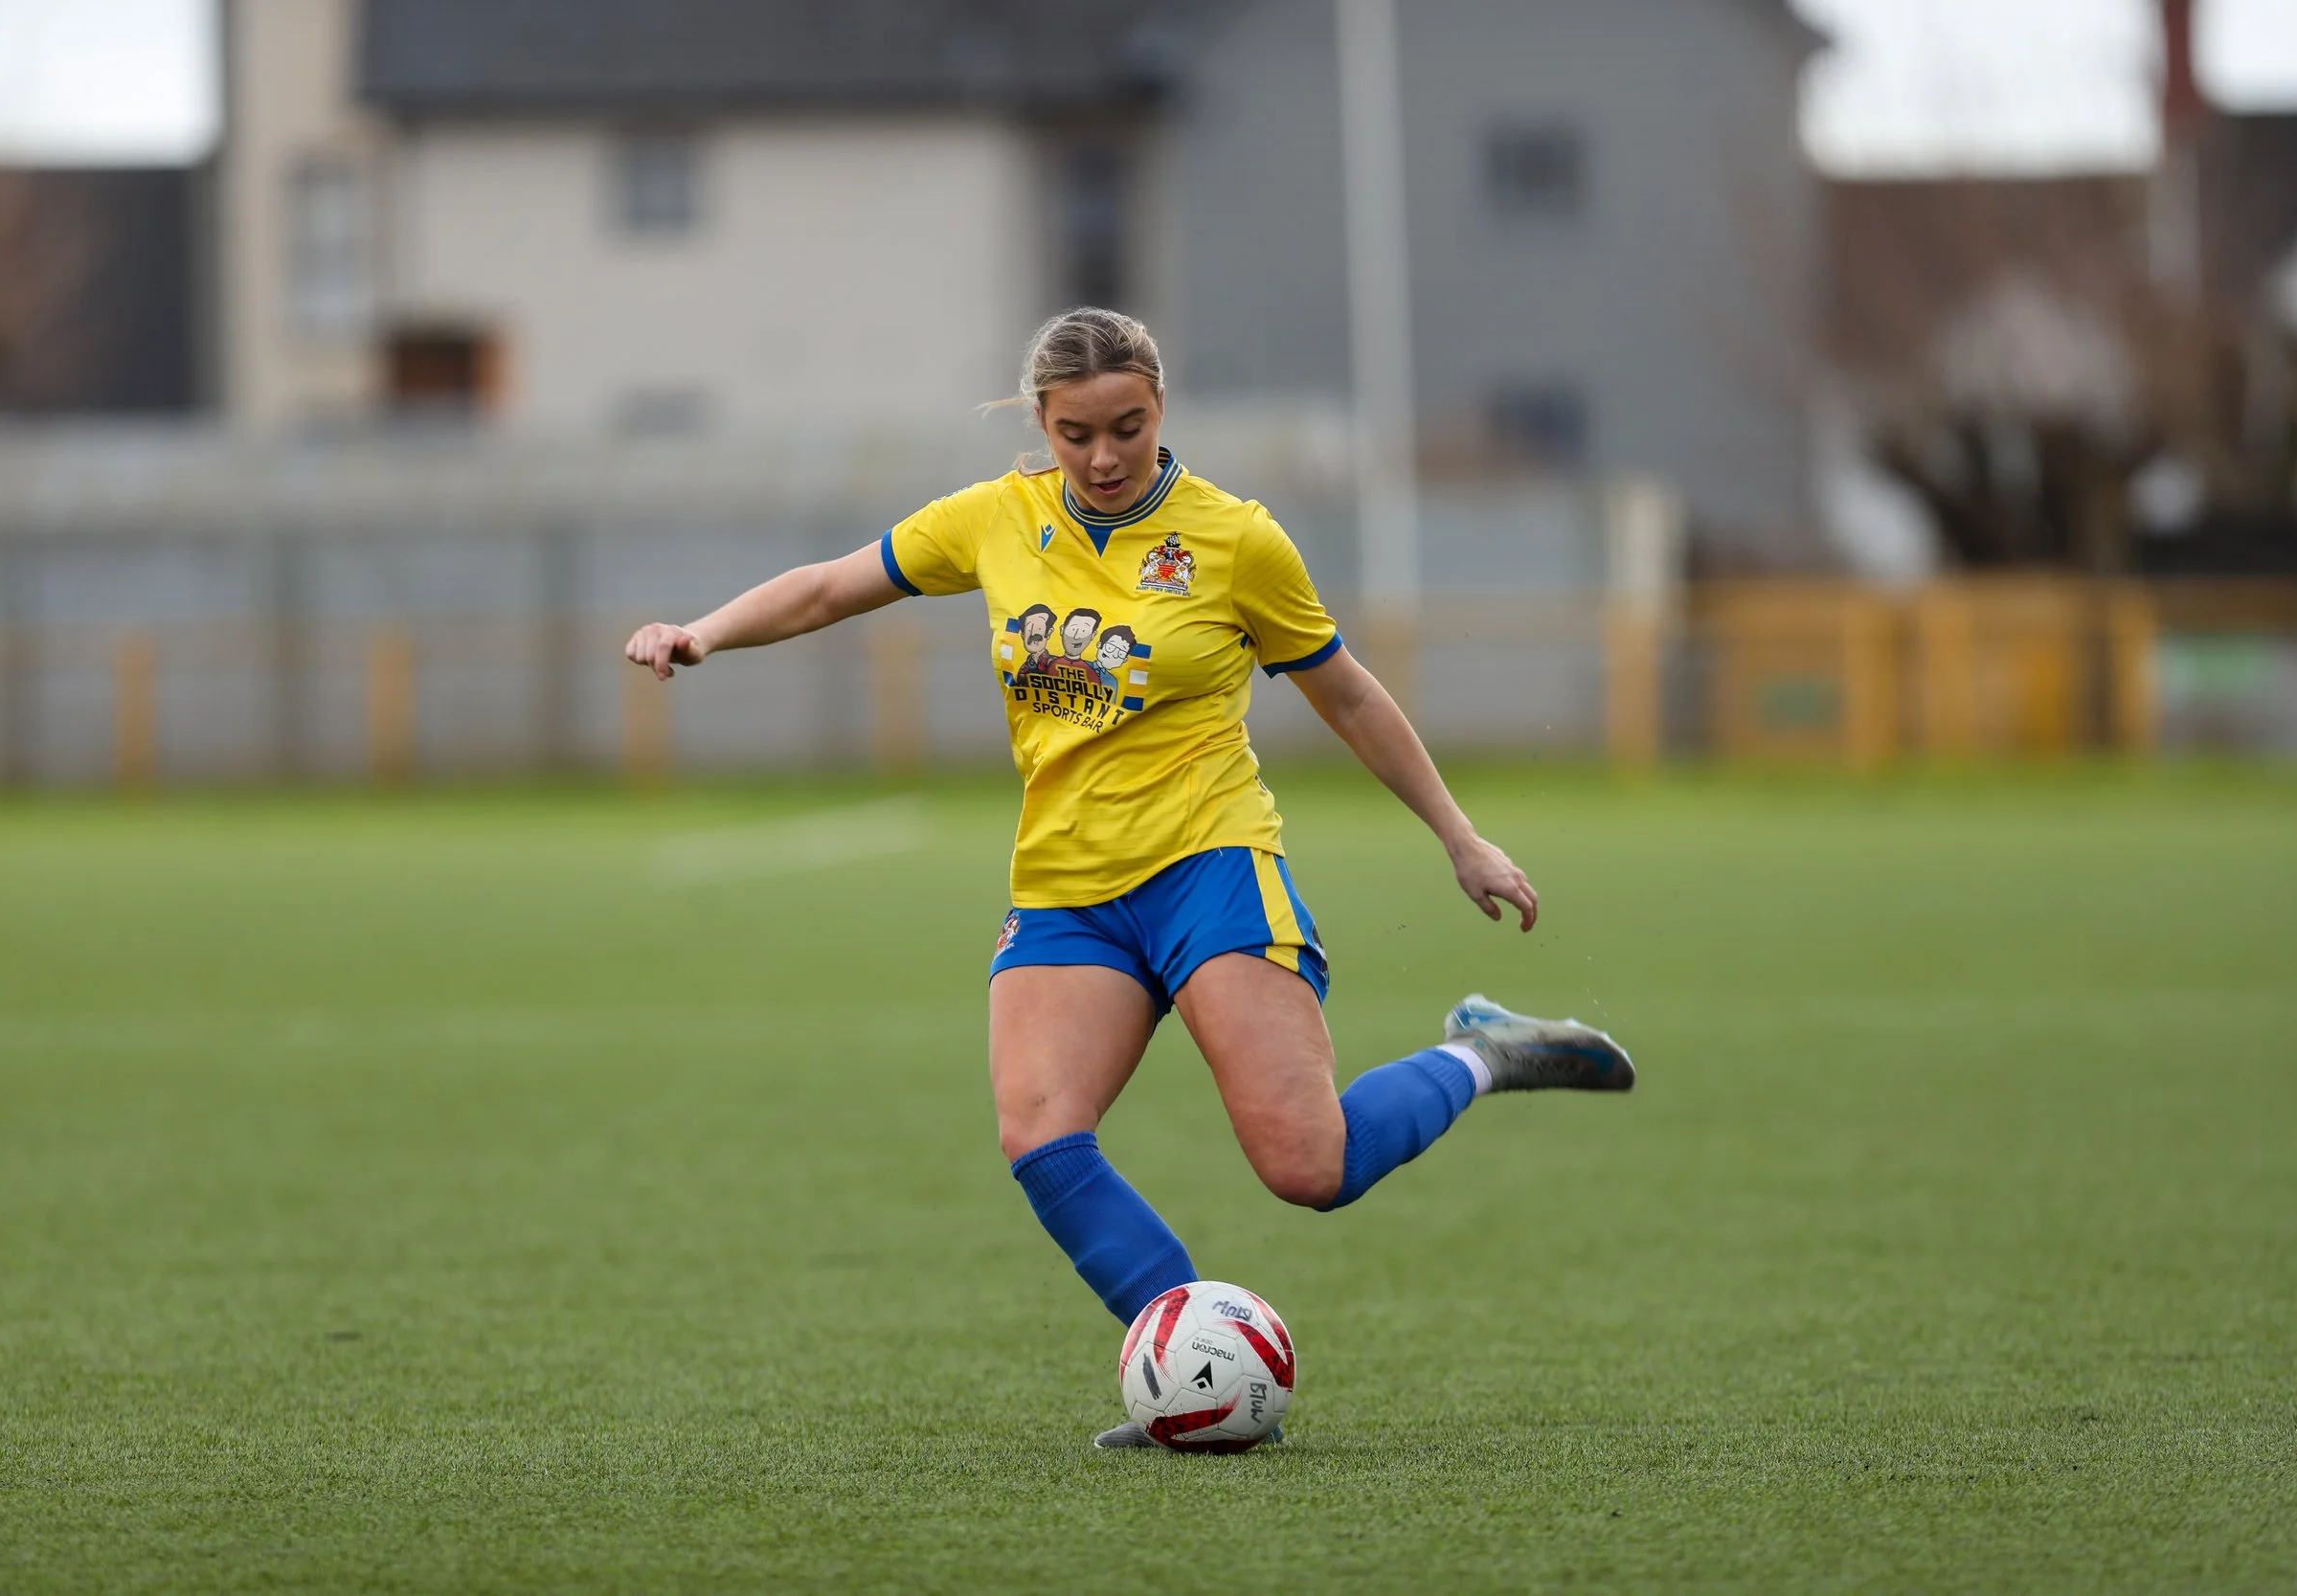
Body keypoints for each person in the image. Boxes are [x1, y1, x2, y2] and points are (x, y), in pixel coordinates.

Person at [624, 307, 1633, 1450]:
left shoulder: (1235, 539)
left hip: (1209, 866)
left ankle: (1480, 1052)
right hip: (1064, 887)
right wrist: (700, 632)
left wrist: (1459, 834)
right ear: (1039, 424)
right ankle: (1191, 1376)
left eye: (1128, 427)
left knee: (1309, 1166)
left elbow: (1345, 689)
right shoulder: (994, 520)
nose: (1103, 457)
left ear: (1161, 407)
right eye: (1075, 434)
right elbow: (824, 585)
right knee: (1042, 1134)